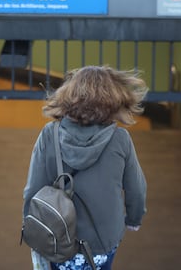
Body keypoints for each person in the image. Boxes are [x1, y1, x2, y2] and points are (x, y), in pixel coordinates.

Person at [22, 65, 148, 270]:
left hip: (58, 239)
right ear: (113, 99)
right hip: (103, 240)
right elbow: (137, 189)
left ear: (69, 95)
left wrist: (32, 225)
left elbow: (32, 189)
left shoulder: (49, 134)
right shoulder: (120, 140)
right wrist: (134, 219)